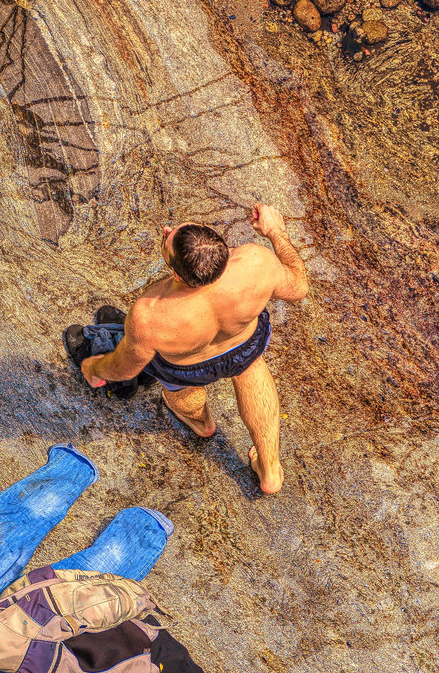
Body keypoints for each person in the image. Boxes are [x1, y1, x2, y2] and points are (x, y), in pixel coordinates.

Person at [71, 204, 309, 494]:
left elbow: (127, 367)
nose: (167, 230)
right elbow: (299, 287)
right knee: (250, 370)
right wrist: (276, 232)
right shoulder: (257, 262)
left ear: (179, 275)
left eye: (169, 236)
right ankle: (270, 471)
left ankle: (201, 424)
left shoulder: (151, 315)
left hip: (187, 367)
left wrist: (95, 368)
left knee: (179, 389)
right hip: (244, 343)